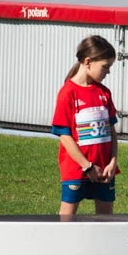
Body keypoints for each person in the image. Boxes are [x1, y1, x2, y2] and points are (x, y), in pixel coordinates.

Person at [52, 35, 120, 216]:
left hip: (104, 171)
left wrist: (113, 162)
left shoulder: (104, 93)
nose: (108, 72)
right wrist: (87, 166)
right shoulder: (68, 93)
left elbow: (112, 133)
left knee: (106, 222)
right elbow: (65, 136)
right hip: (76, 170)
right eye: (105, 67)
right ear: (88, 62)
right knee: (66, 222)